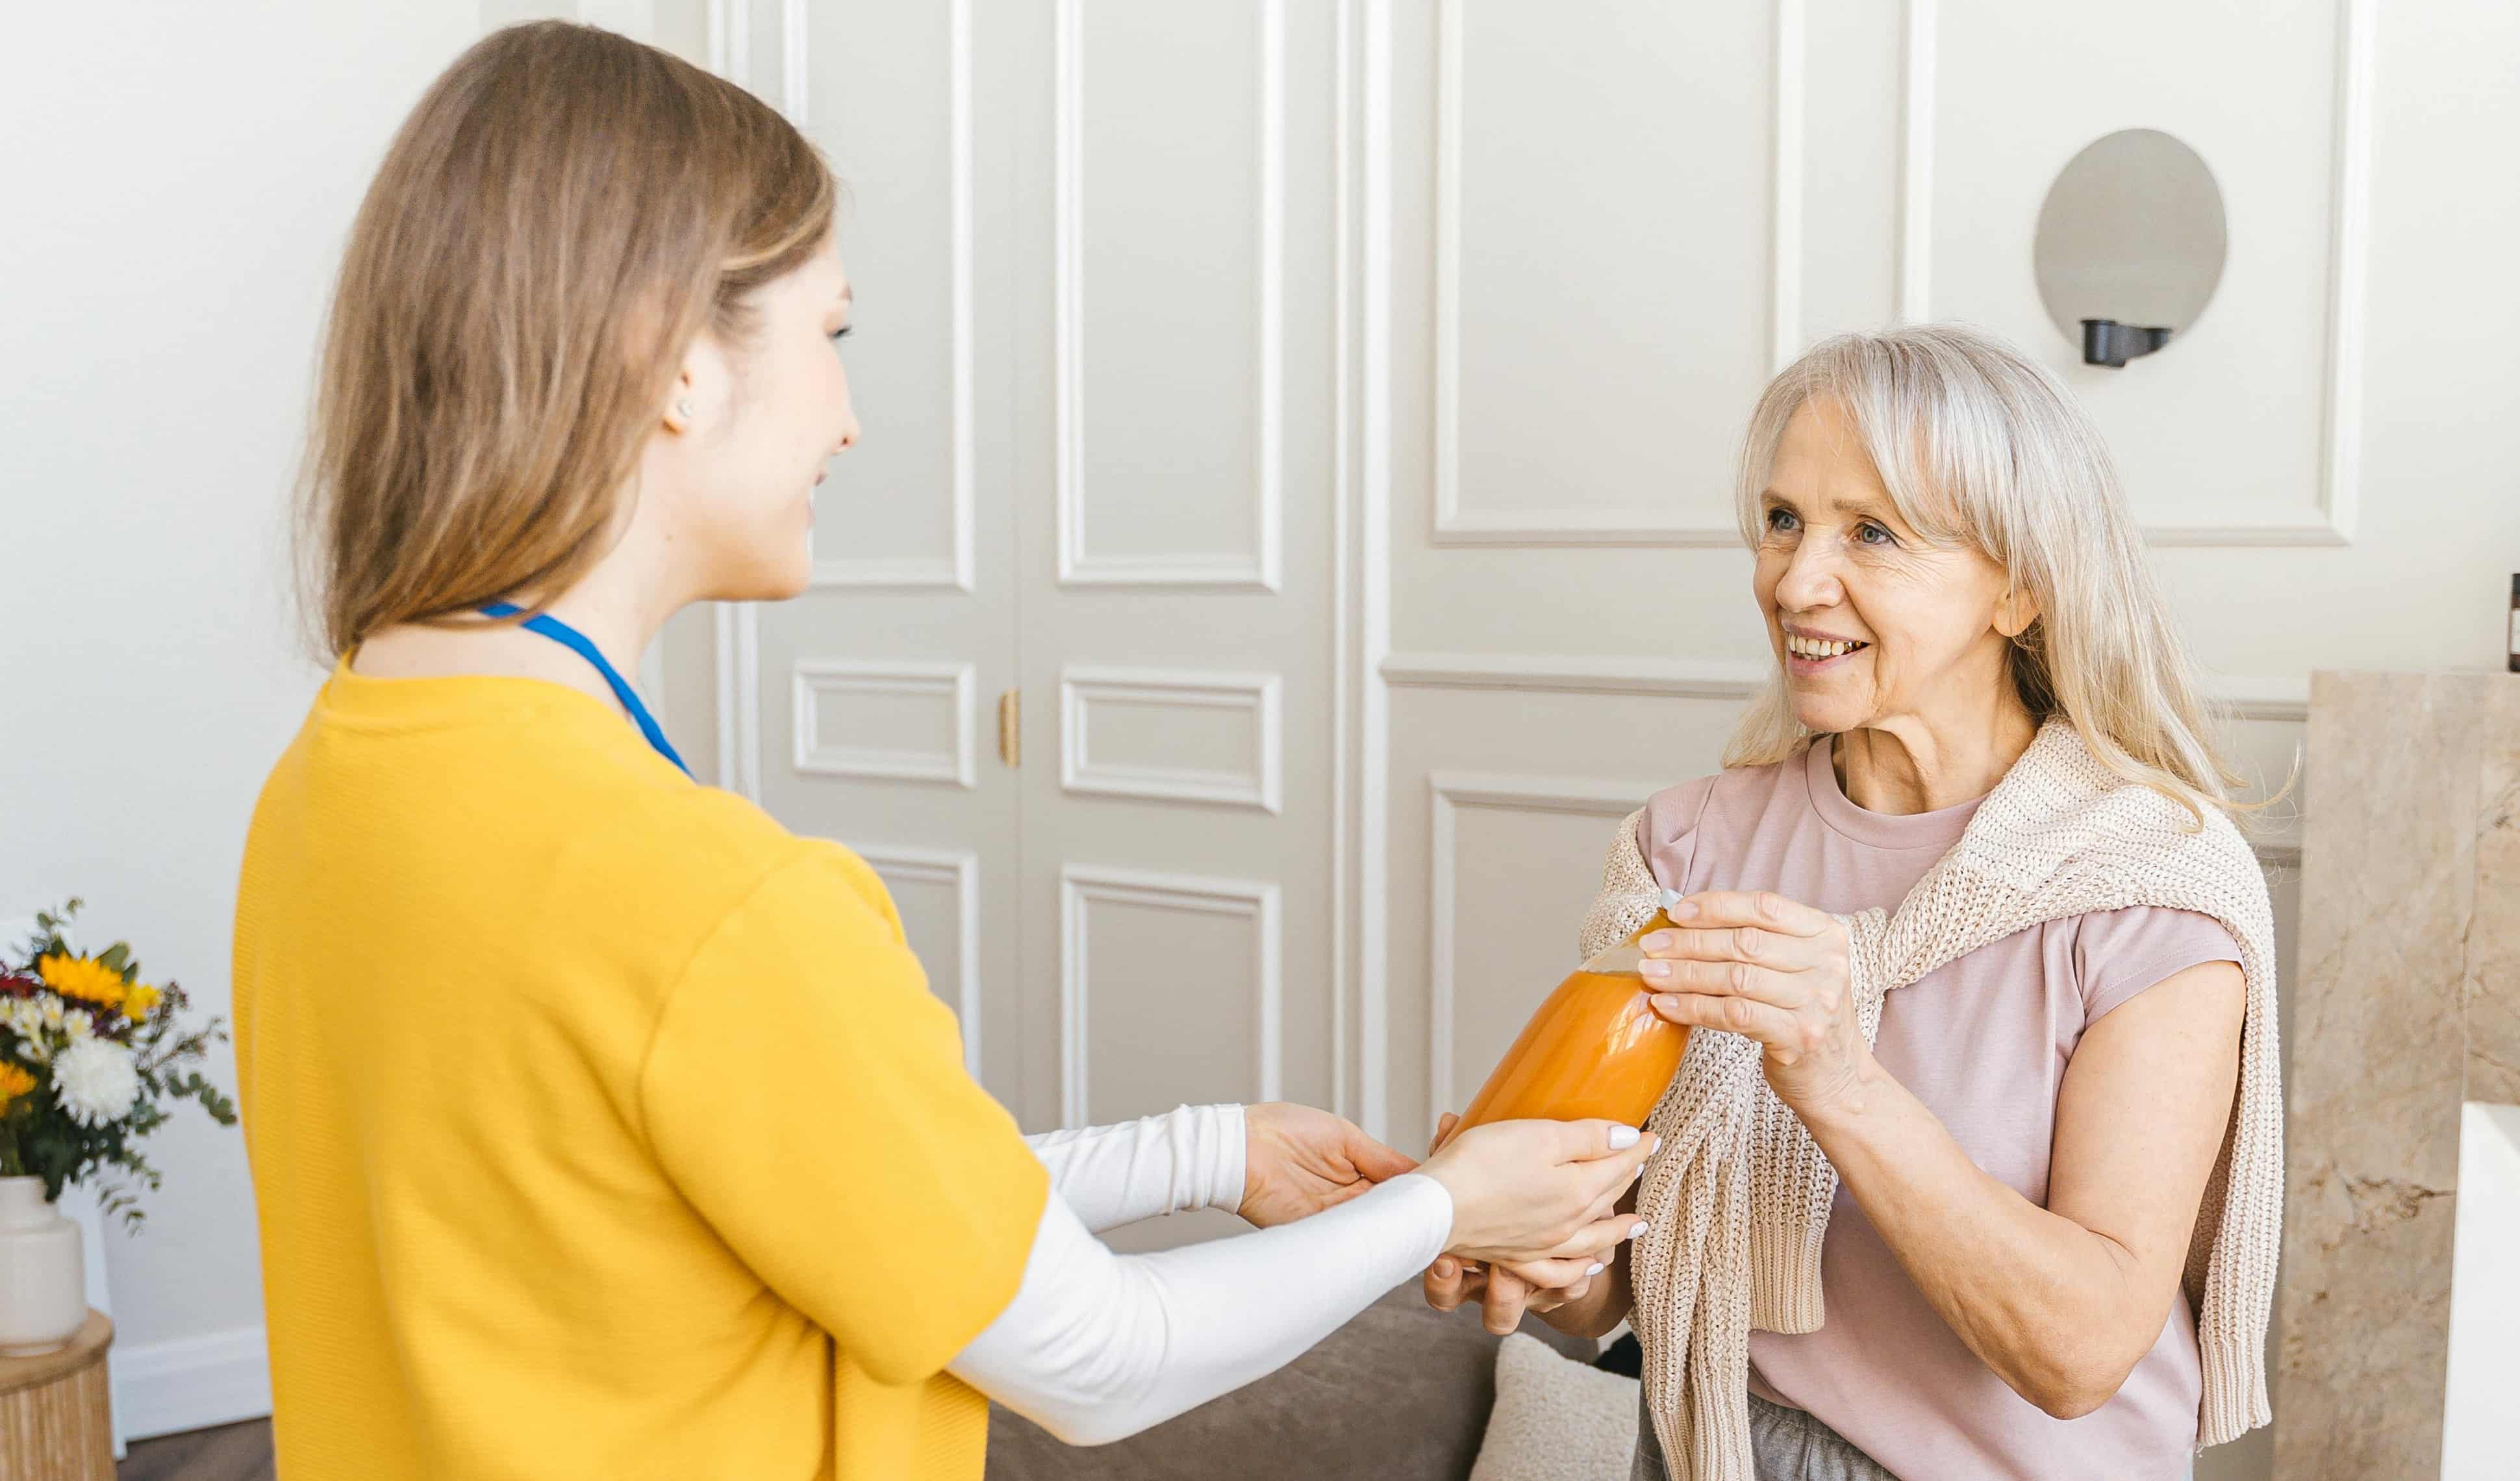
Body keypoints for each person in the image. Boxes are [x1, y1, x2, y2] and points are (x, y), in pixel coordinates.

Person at [231, 23, 1656, 1481]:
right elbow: (1098, 1357)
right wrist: (1443, 1208)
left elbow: (790, 1189)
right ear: (662, 357)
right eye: (829, 334)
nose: (847, 420)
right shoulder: (705, 900)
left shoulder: (334, 779)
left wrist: (1204, 1153)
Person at [1426, 325, 2282, 1481]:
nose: (1793, 580)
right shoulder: (1687, 848)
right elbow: (1620, 1293)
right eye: (1784, 521)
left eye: (1871, 533)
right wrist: (1535, 1253)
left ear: (2022, 590)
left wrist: (1837, 1080)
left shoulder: (2149, 888)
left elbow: (2082, 1354)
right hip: (1710, 1449)